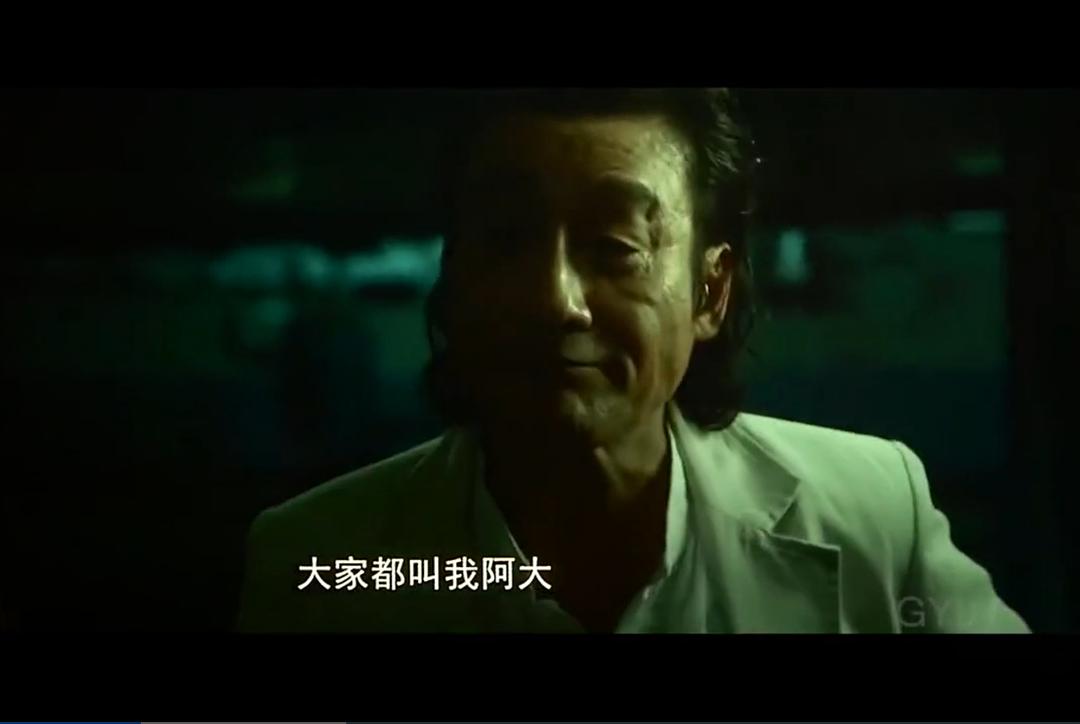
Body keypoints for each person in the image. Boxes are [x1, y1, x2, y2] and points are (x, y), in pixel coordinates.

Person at [236, 89, 1029, 633]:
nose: (556, 300)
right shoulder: (317, 561)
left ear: (710, 291)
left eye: (615, 247)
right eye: (506, 238)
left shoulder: (871, 515)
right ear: (454, 274)